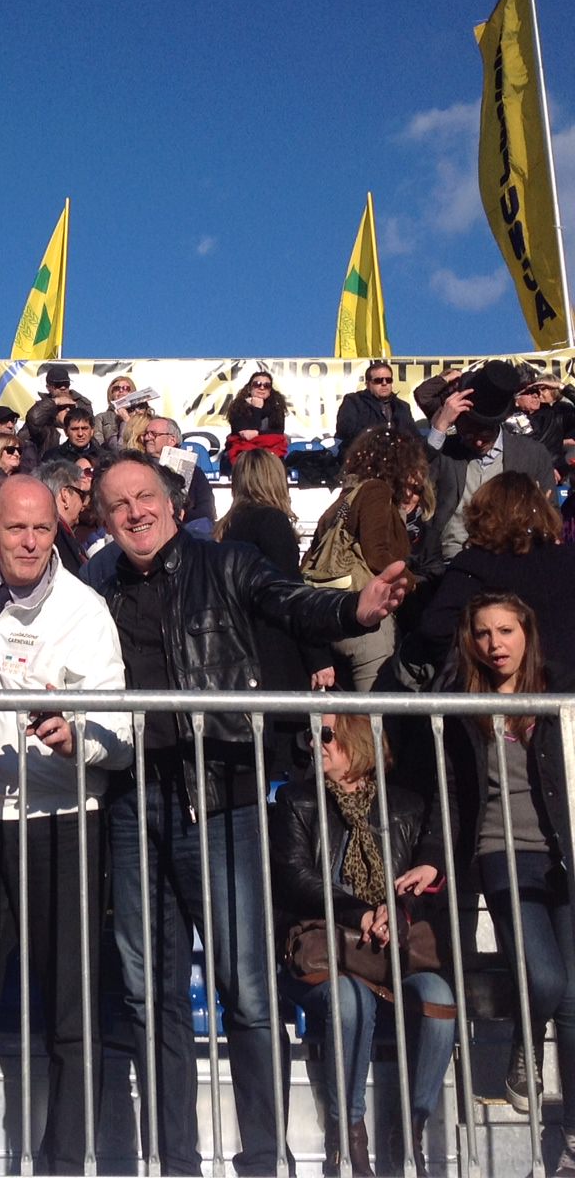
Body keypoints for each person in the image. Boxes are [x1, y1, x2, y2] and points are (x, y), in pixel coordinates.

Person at [84, 450, 408, 1175]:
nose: (135, 512)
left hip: (221, 799)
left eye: (145, 497)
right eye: (118, 504)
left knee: (248, 990)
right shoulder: (94, 583)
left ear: (171, 501)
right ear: (102, 519)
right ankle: (175, 1161)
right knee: (148, 993)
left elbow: (288, 600)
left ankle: (264, 1158)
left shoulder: (225, 564)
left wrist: (351, 609)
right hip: (134, 802)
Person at [0, 473, 130, 1174]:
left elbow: (123, 732)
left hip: (62, 819)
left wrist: (80, 739)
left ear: (58, 532)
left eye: (41, 529)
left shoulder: (86, 610)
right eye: (15, 528)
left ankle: (64, 1162)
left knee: (71, 1014)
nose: (28, 541)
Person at [271, 714, 453, 1177]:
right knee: (349, 1000)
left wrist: (398, 912)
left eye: (327, 734)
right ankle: (348, 1131)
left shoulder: (405, 807)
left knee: (440, 1000)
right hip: (324, 949)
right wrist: (360, 912)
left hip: (391, 952)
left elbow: (424, 883)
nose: (316, 743)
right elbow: (294, 878)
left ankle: (411, 1129)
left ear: (357, 738)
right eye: (311, 735)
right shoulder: (297, 801)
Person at [454, 591, 575, 1169]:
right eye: (483, 634)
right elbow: (452, 792)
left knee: (574, 1000)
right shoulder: (463, 703)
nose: (494, 644)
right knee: (546, 978)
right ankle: (525, 1044)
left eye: (505, 631)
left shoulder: (559, 689)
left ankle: (574, 1139)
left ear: (527, 632)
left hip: (563, 857)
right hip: (501, 850)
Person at [214, 449, 334, 767]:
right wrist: (318, 658)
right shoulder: (271, 521)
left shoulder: (228, 527)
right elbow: (291, 595)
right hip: (277, 656)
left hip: (245, 653)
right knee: (286, 762)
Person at [404, 472, 575, 680]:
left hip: (503, 690)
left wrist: (478, 670)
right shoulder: (568, 558)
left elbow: (436, 629)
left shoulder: (475, 562)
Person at [312, 427, 428, 691]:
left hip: (330, 612)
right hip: (366, 621)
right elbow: (377, 554)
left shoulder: (346, 496)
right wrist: (413, 584)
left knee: (350, 724)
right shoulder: (376, 491)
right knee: (375, 720)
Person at [421, 359, 555, 575]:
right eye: (468, 434)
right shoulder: (446, 452)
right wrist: (440, 427)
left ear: (497, 423)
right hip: (448, 567)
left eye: (484, 434)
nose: (478, 442)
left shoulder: (532, 455)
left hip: (512, 567)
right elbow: (414, 478)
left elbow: (551, 515)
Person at [125, 412, 216, 533]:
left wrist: (184, 515)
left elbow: (207, 509)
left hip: (186, 532)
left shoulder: (194, 471)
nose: (147, 438)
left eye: (154, 434)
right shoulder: (138, 469)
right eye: (146, 434)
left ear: (172, 439)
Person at [334, 362, 419, 460]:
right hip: (361, 460)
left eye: (388, 380)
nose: (384, 383)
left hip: (397, 461)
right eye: (378, 380)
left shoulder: (402, 406)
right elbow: (345, 430)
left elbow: (414, 436)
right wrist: (379, 436)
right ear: (368, 384)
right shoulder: (354, 401)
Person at [35, 456, 91, 573]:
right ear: (65, 496)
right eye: (81, 495)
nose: (84, 503)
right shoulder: (55, 539)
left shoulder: (48, 532)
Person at [225, 369, 289, 468]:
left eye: (266, 385)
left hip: (271, 453)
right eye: (257, 384)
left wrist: (258, 434)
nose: (262, 387)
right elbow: (246, 435)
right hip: (243, 453)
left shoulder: (277, 408)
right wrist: (257, 408)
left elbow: (278, 433)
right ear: (250, 388)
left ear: (270, 390)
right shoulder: (238, 408)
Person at [512, 373, 575, 471]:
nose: (537, 395)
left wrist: (561, 387)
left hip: (554, 473)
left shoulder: (556, 415)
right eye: (530, 392)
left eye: (540, 390)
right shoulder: (508, 420)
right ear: (516, 398)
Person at [93, 374, 143, 449]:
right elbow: (98, 445)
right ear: (111, 393)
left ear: (132, 392)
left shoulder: (141, 415)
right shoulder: (101, 417)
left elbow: (140, 441)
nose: (121, 390)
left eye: (126, 388)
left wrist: (126, 419)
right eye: (116, 388)